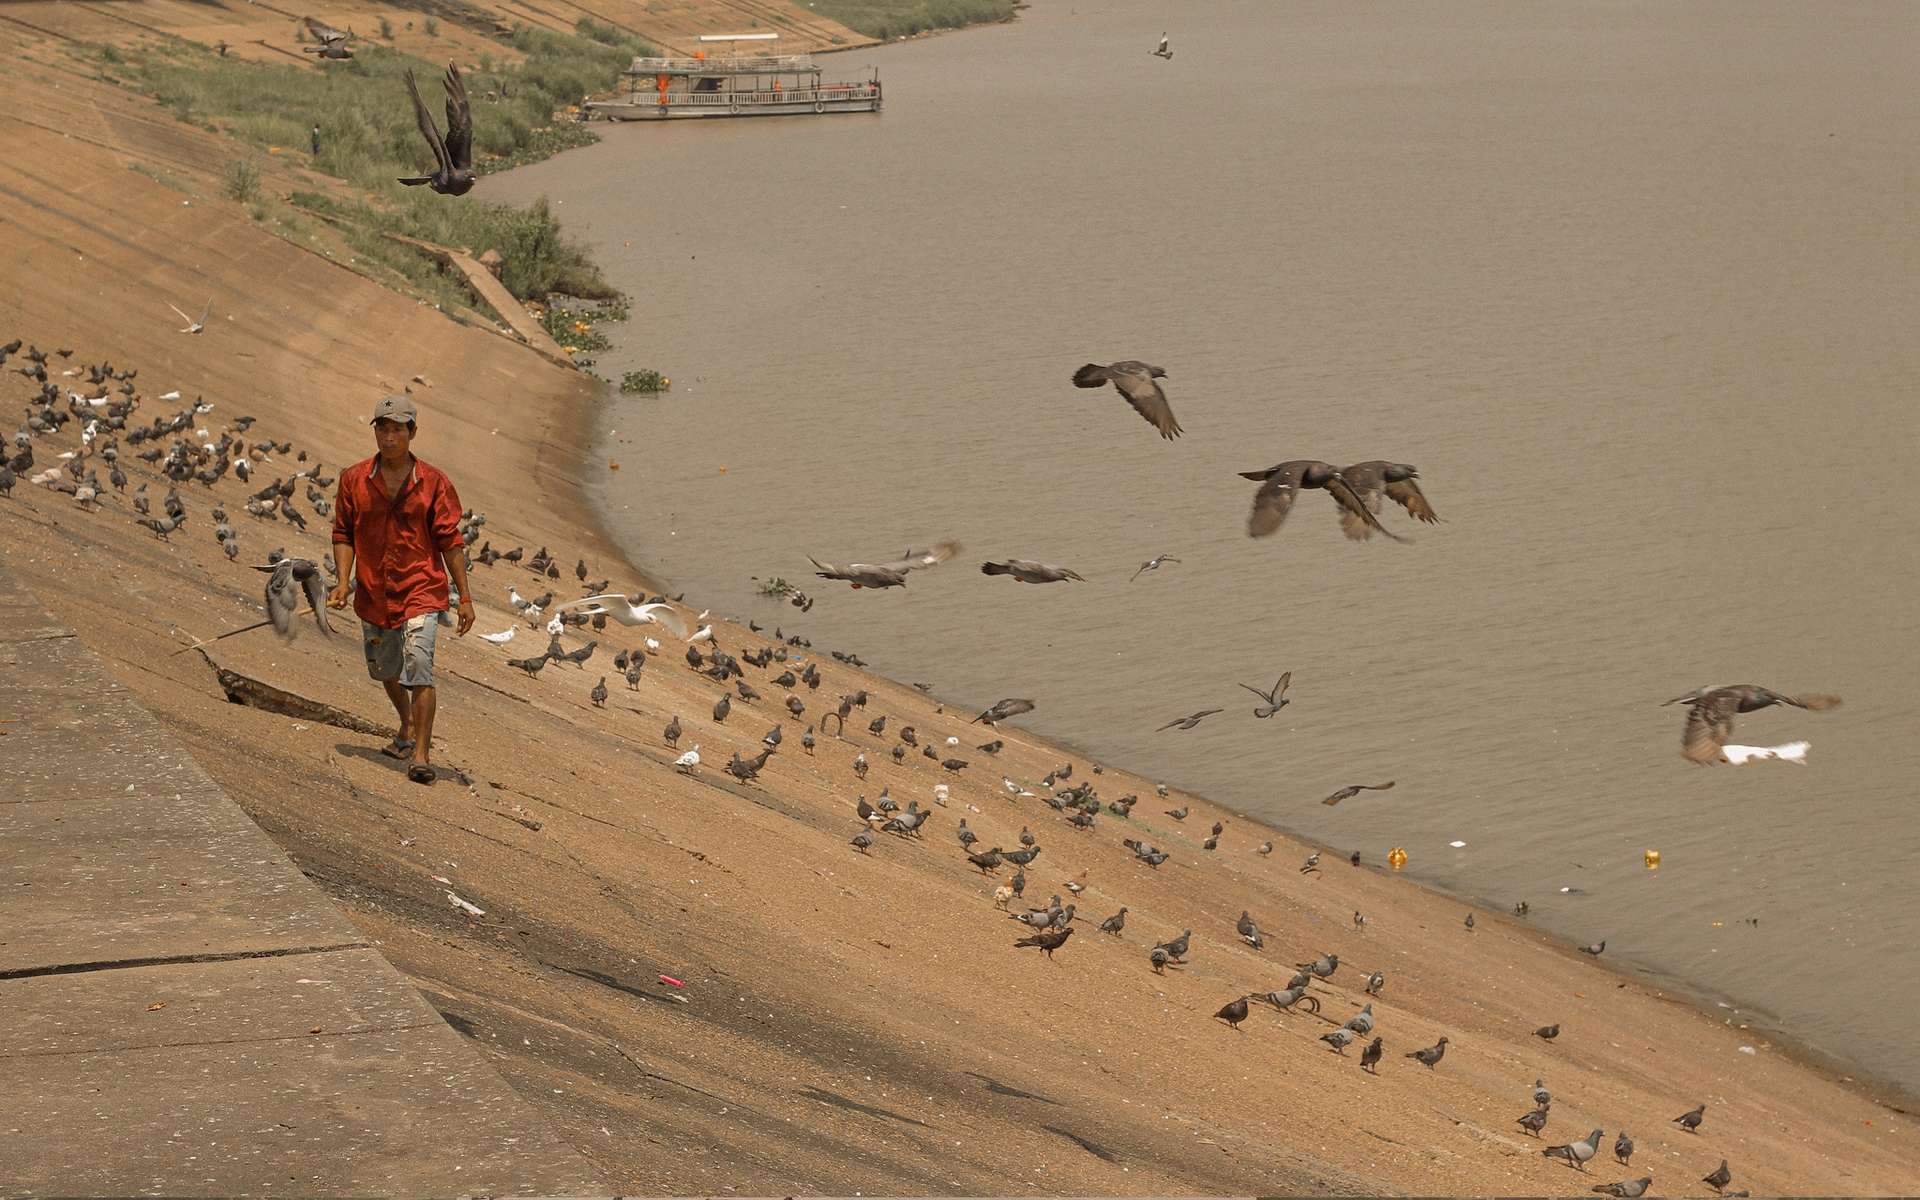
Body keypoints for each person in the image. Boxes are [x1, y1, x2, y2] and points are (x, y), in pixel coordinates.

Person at [327, 394, 474, 784]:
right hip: (374, 591)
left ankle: (421, 755)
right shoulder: (354, 479)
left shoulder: (434, 482)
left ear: (412, 432)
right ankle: (406, 723)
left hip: (421, 588)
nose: (389, 437)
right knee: (385, 670)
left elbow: (450, 541)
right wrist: (343, 583)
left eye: (397, 429)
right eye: (382, 428)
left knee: (420, 669)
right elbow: (342, 532)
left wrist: (466, 598)